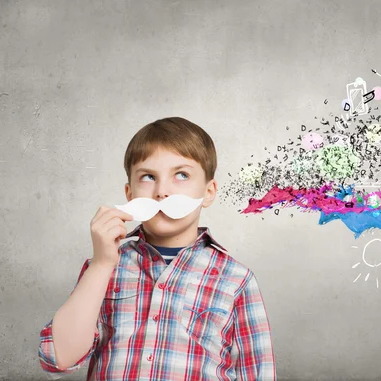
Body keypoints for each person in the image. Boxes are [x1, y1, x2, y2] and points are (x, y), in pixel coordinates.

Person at [38, 117, 276, 380]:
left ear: (209, 192)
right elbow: (57, 360)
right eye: (148, 177)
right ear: (130, 194)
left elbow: (257, 372)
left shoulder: (236, 280)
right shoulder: (103, 267)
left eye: (182, 175)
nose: (162, 191)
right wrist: (102, 264)